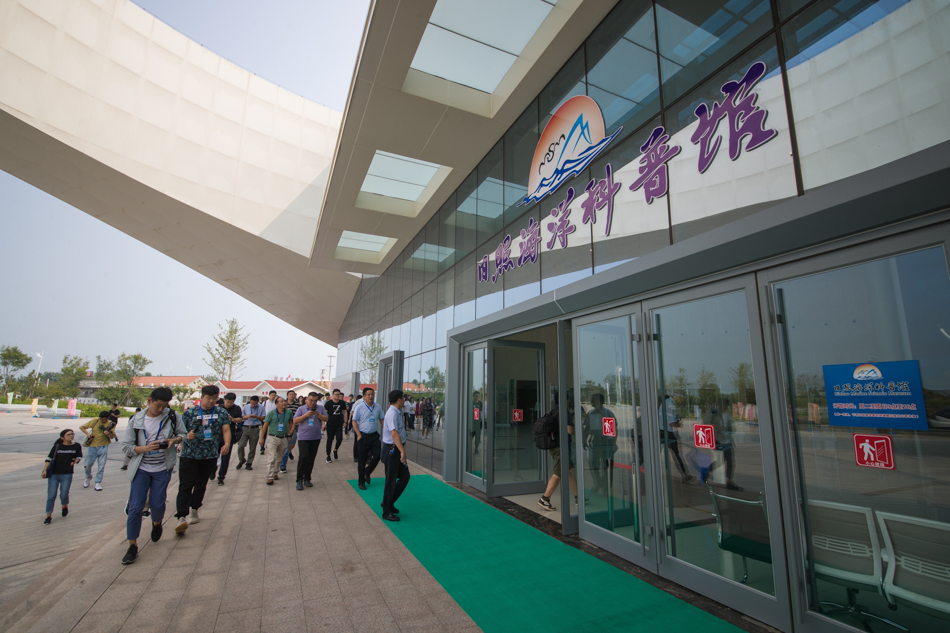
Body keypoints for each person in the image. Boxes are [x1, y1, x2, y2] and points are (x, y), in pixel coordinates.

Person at [119, 387, 186, 564]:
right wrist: (146, 448)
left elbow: (183, 434)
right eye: (158, 405)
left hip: (162, 469)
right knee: (135, 508)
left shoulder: (172, 416)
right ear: (149, 401)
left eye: (164, 406)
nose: (160, 410)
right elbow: (126, 447)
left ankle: (157, 524)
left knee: (157, 504)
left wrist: (174, 440)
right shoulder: (136, 420)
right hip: (141, 469)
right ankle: (132, 546)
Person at [175, 385, 230, 534]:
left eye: (214, 398)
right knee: (186, 485)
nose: (211, 401)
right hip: (189, 454)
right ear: (202, 397)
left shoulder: (221, 412)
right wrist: (186, 436)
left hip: (209, 455)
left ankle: (194, 510)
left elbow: (226, 429)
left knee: (201, 484)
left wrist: (226, 444)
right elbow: (180, 432)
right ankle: (181, 516)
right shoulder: (190, 413)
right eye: (208, 398)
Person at [538, 397, 578, 511]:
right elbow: (569, 430)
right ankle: (544, 499)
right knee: (558, 473)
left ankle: (578, 497)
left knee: (570, 471)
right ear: (565, 400)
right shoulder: (565, 412)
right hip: (561, 448)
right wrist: (579, 431)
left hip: (554, 446)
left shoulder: (553, 411)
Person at [380, 389, 409, 521]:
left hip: (396, 448)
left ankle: (388, 501)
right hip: (392, 450)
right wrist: (402, 451)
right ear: (399, 400)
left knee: (405, 477)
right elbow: (394, 433)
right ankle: (387, 511)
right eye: (403, 398)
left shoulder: (396, 412)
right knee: (391, 481)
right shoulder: (392, 413)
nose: (404, 400)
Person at [42, 429, 82, 525]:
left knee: (64, 494)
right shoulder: (57, 446)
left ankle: (64, 506)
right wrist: (45, 470)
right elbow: (49, 458)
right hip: (54, 474)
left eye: (72, 434)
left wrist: (75, 461)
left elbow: (79, 456)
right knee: (51, 496)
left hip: (67, 474)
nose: (71, 436)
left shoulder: (76, 445)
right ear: (62, 437)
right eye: (68, 434)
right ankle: (48, 516)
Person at [584, 394, 620, 495]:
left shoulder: (608, 413)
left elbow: (613, 430)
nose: (592, 402)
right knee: (593, 464)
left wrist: (613, 443)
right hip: (595, 442)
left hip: (606, 442)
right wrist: (584, 440)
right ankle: (598, 482)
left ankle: (606, 487)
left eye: (593, 400)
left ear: (600, 402)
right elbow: (587, 428)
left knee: (605, 466)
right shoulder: (591, 413)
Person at [293, 392, 327, 489]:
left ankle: (307, 478)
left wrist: (318, 415)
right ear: (307, 399)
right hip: (303, 437)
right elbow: (295, 420)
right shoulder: (301, 409)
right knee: (303, 457)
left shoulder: (320, 408)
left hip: (315, 437)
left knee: (311, 459)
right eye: (311, 400)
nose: (313, 403)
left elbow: (326, 418)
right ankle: (299, 480)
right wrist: (305, 415)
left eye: (315, 401)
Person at [351, 387, 383, 490]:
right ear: (364, 396)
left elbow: (382, 420)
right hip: (363, 436)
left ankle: (367, 472)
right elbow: (354, 421)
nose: (370, 396)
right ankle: (361, 482)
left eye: (372, 394)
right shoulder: (359, 407)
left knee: (378, 455)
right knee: (362, 460)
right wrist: (358, 434)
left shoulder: (377, 407)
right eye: (368, 394)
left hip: (374, 436)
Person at [659, 395, 693, 484]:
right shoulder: (670, 403)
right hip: (668, 434)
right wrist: (682, 427)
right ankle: (684, 474)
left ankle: (682, 474)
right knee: (676, 455)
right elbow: (671, 423)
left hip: (662, 433)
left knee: (662, 454)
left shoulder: (663, 404)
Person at [260, 397, 293, 485]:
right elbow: (265, 425)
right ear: (276, 404)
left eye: (284, 401)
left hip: (283, 438)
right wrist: (261, 438)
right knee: (272, 457)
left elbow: (291, 422)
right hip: (272, 437)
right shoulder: (271, 413)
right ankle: (269, 477)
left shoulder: (289, 412)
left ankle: (275, 472)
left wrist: (290, 432)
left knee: (279, 458)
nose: (284, 403)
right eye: (281, 402)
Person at [212, 393, 242, 486]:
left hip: (229, 435)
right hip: (217, 435)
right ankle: (212, 470)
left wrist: (232, 419)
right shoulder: (218, 408)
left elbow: (240, 419)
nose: (229, 404)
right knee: (214, 455)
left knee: (225, 457)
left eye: (231, 402)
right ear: (224, 400)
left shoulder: (236, 408)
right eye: (227, 402)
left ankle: (221, 477)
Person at [80, 411, 115, 491]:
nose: (102, 420)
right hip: (92, 446)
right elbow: (82, 427)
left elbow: (112, 436)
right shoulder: (95, 421)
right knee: (87, 465)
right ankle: (88, 477)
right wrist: (87, 434)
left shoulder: (111, 424)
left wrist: (108, 434)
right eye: (101, 419)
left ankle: (98, 482)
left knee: (101, 466)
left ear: (108, 418)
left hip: (103, 446)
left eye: (103, 419)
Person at [236, 395, 265, 470]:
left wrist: (256, 417)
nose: (253, 405)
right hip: (245, 428)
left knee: (252, 447)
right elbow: (241, 418)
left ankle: (249, 463)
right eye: (252, 404)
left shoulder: (261, 407)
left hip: (255, 428)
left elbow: (263, 418)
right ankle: (241, 460)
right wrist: (247, 417)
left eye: (255, 404)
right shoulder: (246, 407)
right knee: (241, 445)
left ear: (258, 402)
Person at [279, 390, 300, 474]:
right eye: (290, 394)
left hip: (294, 428)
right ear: (287, 396)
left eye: (293, 394)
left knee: (292, 444)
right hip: (283, 428)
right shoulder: (283, 404)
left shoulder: (298, 405)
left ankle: (287, 453)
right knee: (285, 447)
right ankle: (282, 466)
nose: (292, 396)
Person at [324, 389, 347, 463]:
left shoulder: (342, 403)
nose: (337, 396)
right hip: (330, 424)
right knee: (330, 440)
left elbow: (345, 412)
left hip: (339, 424)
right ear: (332, 395)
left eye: (338, 394)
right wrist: (323, 423)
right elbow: (325, 414)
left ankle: (335, 450)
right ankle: (328, 455)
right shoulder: (328, 403)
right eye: (336, 394)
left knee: (339, 439)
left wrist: (345, 422)